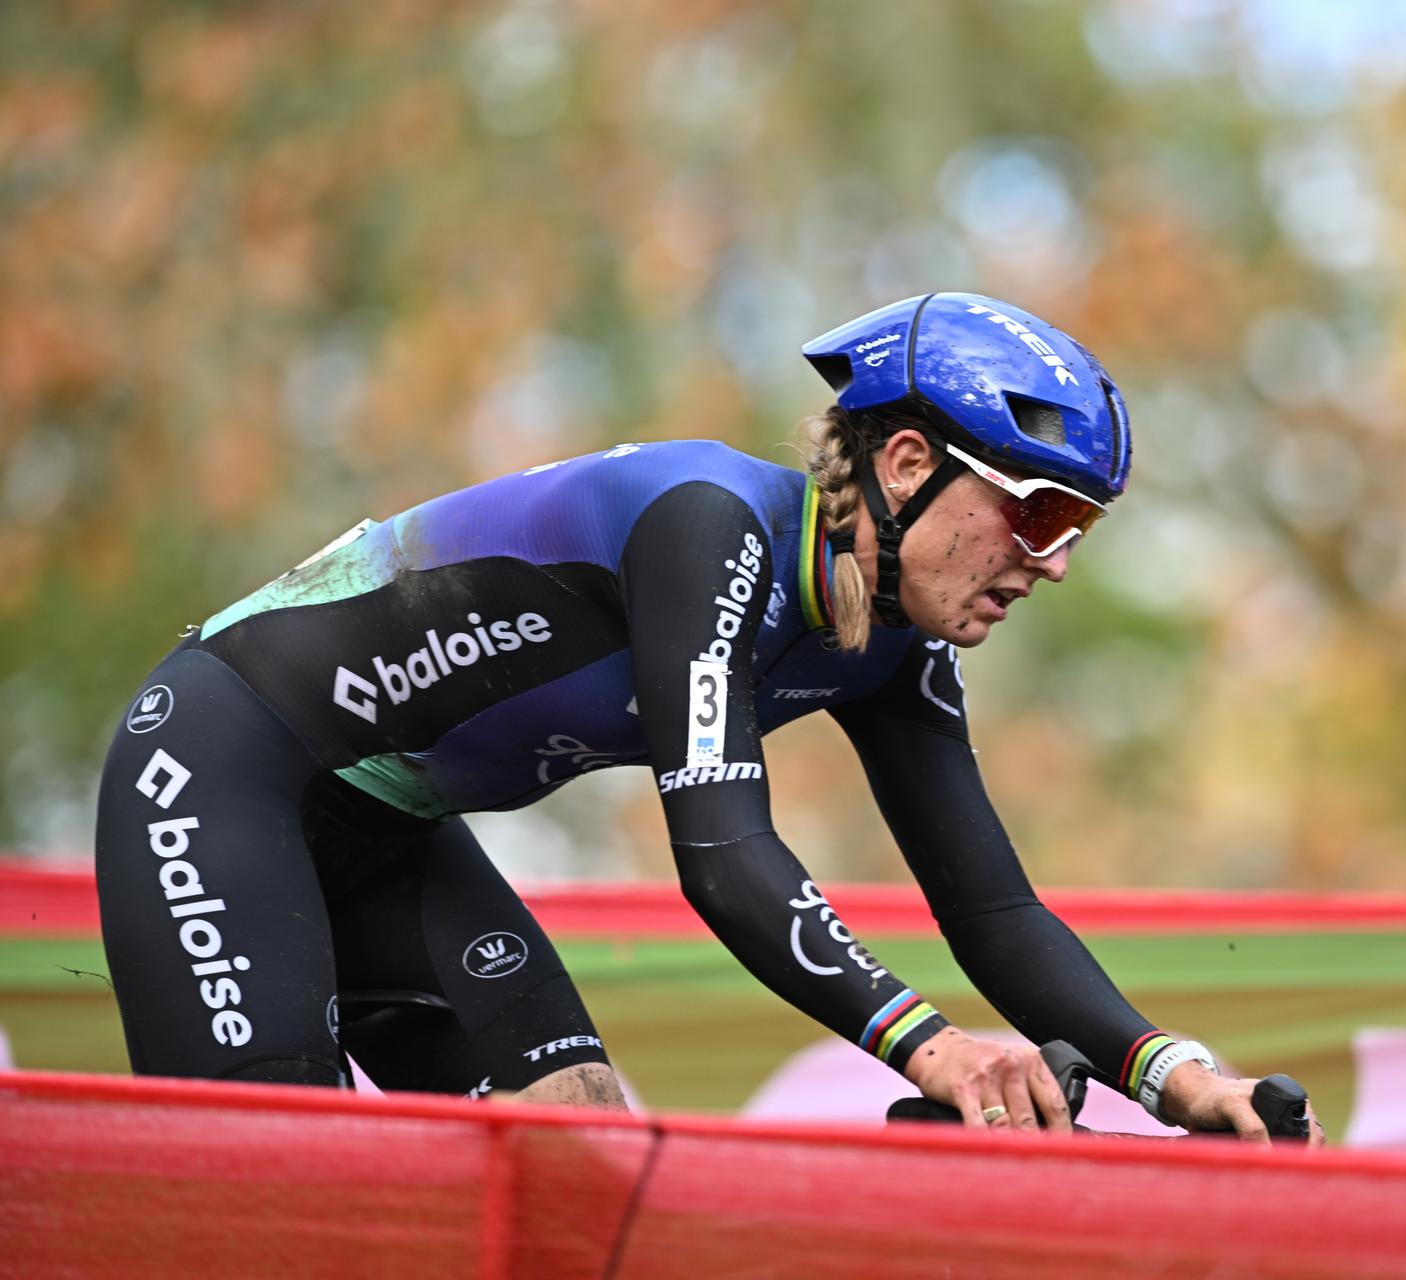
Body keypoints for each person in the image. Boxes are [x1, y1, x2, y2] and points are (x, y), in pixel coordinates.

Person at [94, 291, 1324, 1144]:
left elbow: (994, 910)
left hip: (391, 827)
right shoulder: (709, 527)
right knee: (284, 1182)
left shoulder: (892, 647)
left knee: (573, 1137)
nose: (1050, 563)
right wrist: (935, 1049)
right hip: (223, 761)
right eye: (1040, 515)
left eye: (1079, 533)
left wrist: (1174, 1072)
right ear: (906, 467)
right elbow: (727, 858)